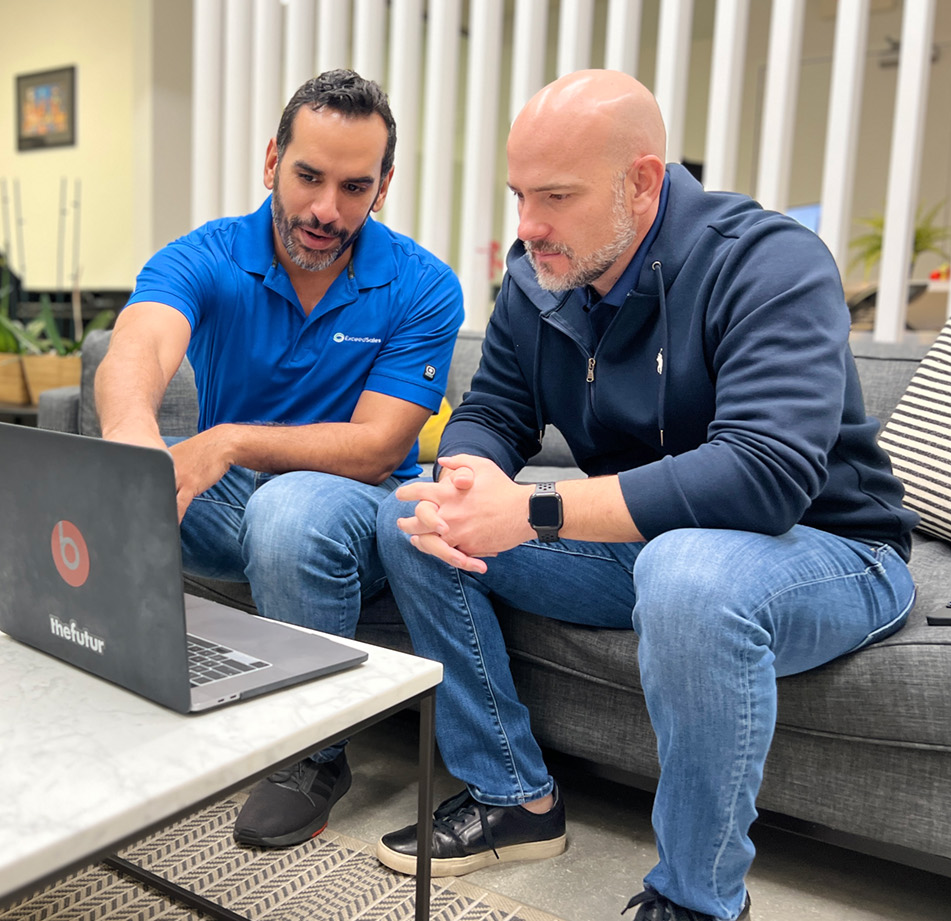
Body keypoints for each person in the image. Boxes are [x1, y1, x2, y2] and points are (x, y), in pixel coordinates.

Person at [374, 70, 917, 921]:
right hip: (652, 545)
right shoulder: (540, 277)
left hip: (831, 549)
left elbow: (764, 473)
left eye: (555, 196)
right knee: (415, 512)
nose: (528, 226)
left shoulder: (769, 263)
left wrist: (536, 510)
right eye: (519, 194)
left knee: (687, 572)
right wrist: (471, 473)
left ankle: (698, 900)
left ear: (643, 182)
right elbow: (493, 408)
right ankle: (513, 796)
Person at [96, 69, 464, 848]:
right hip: (235, 502)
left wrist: (228, 439)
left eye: (354, 186)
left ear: (383, 186)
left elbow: (377, 447)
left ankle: (314, 755)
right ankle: (105, 687)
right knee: (98, 480)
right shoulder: (211, 254)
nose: (327, 209)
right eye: (308, 176)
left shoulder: (422, 285)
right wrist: (132, 445)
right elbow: (141, 343)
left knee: (288, 508)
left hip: (347, 509)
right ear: (271, 162)